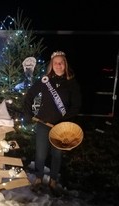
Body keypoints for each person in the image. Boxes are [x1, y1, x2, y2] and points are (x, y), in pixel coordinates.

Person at [23, 51, 81, 193]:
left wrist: (65, 122)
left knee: (57, 155)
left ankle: (53, 180)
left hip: (61, 128)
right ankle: (38, 178)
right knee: (40, 154)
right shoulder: (45, 80)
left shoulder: (71, 82)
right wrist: (29, 114)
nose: (58, 65)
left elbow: (76, 105)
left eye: (61, 63)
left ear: (65, 64)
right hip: (43, 124)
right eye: (55, 63)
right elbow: (29, 96)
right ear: (52, 65)